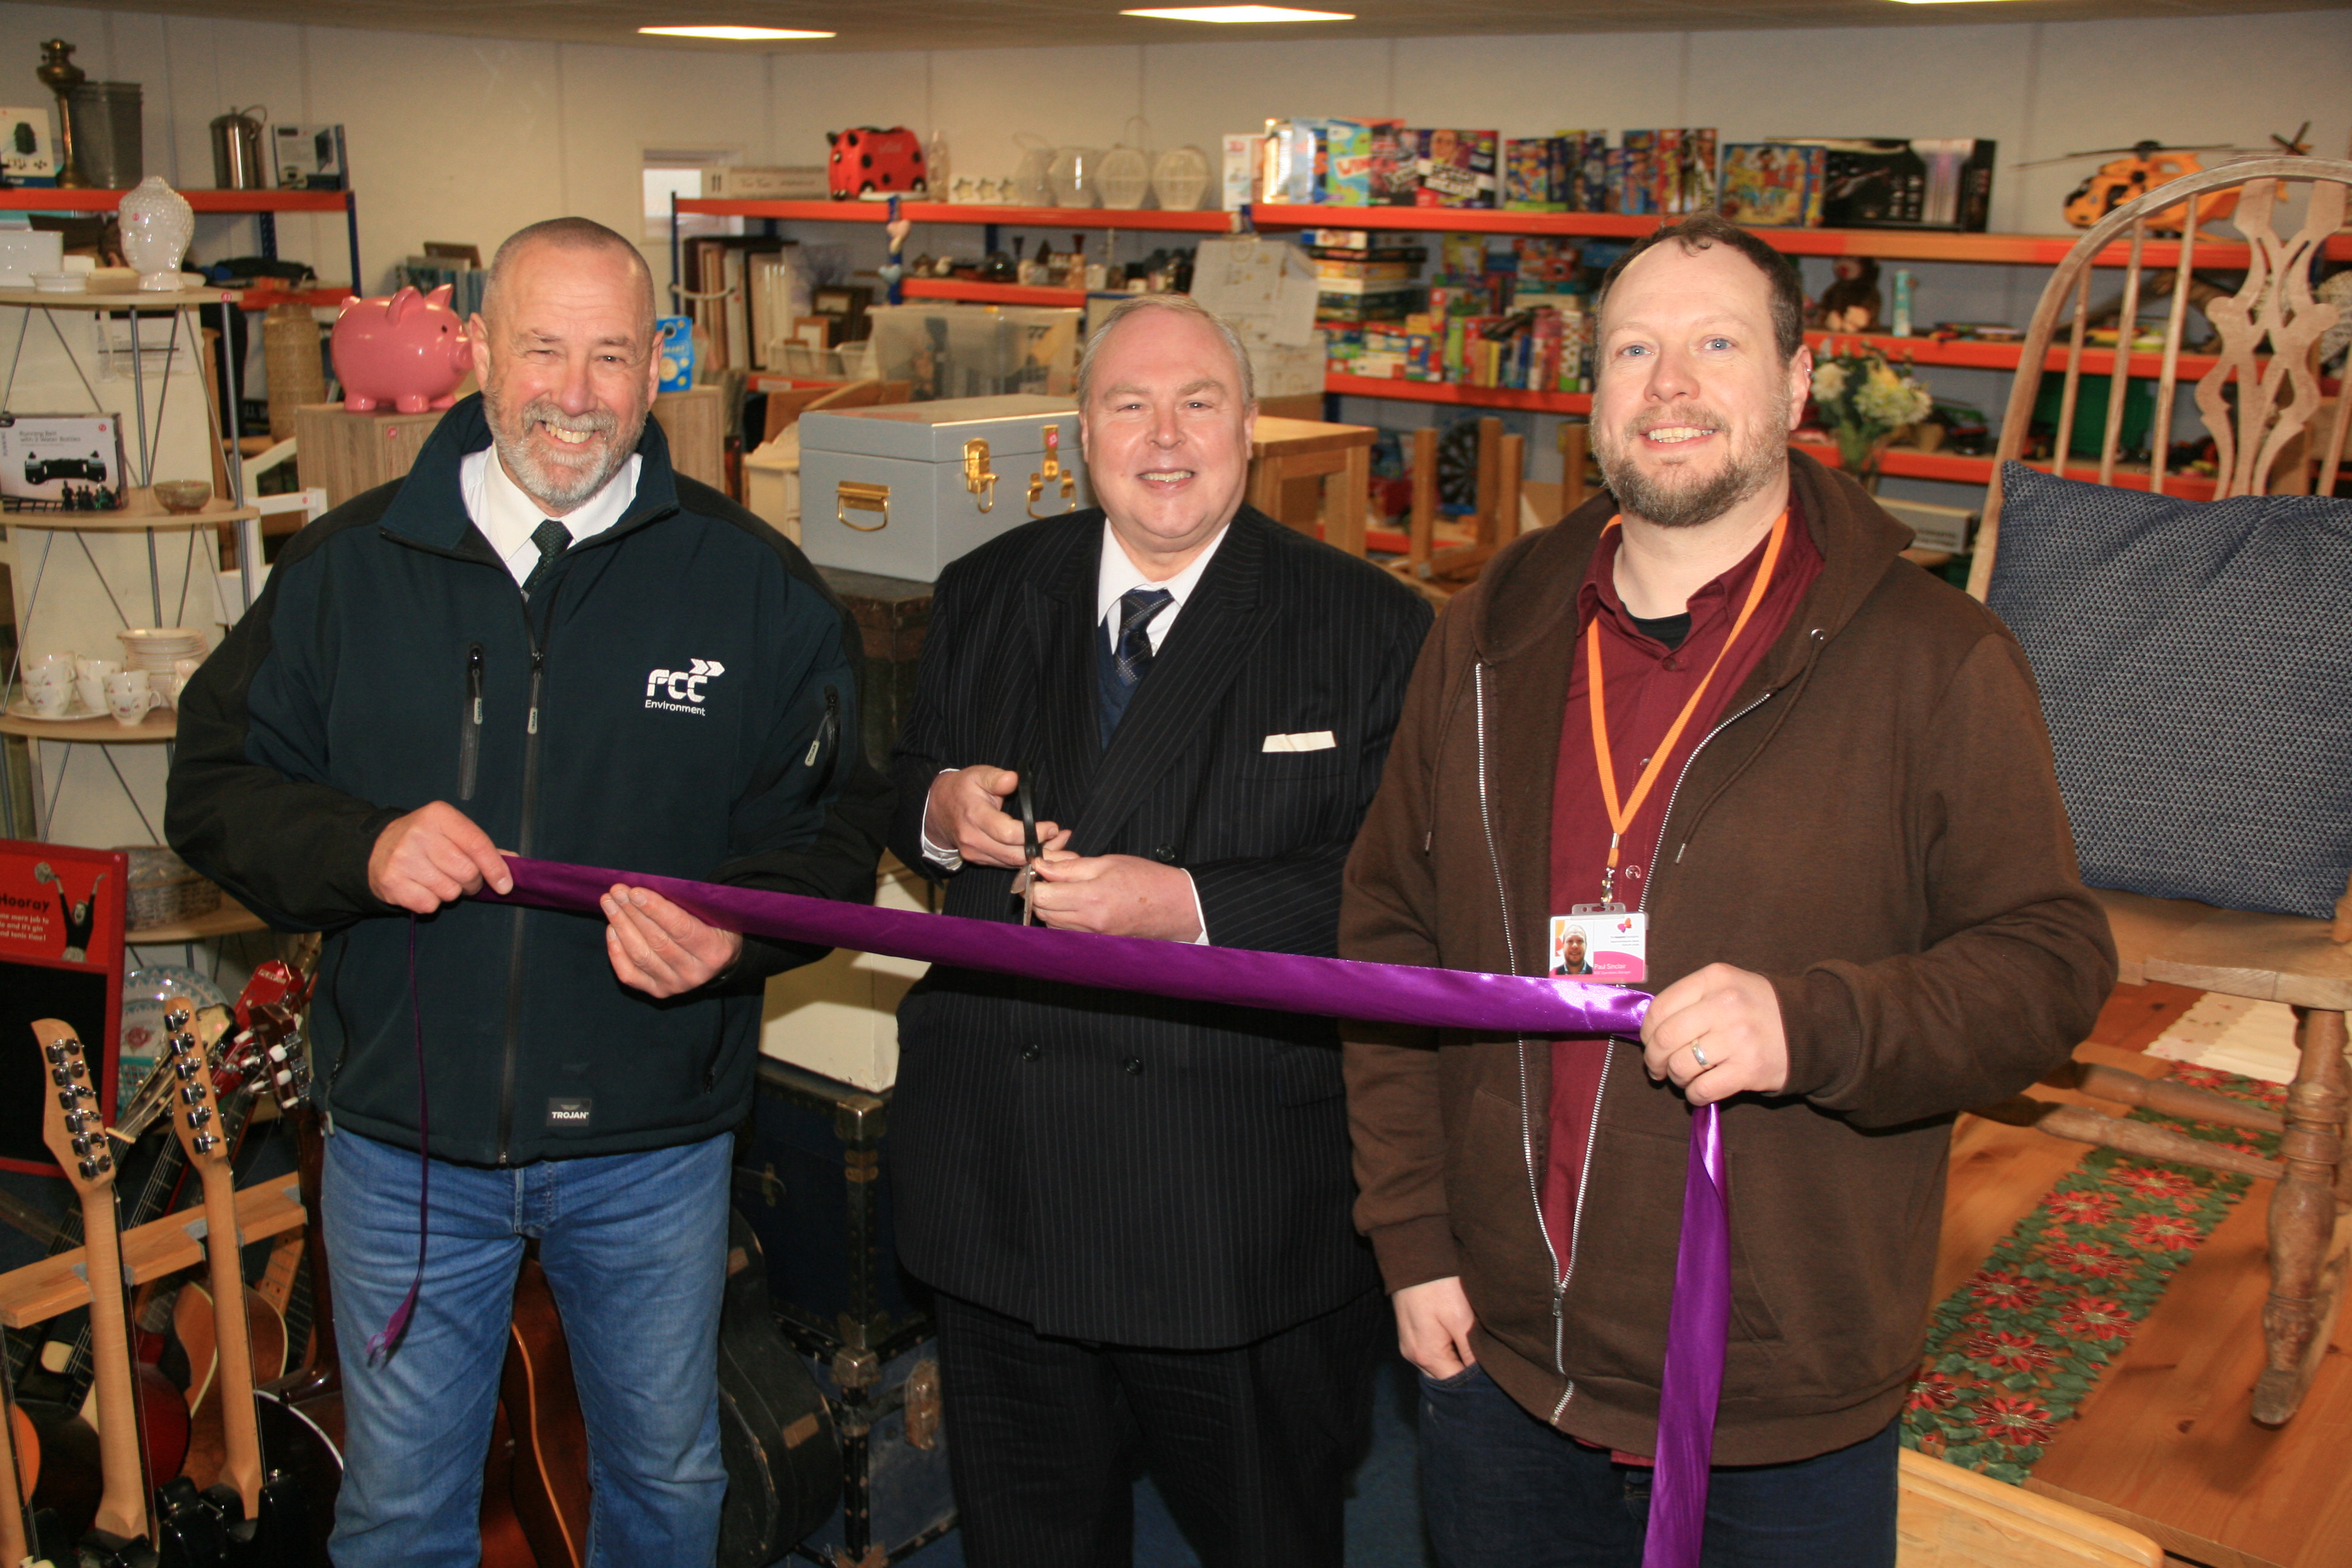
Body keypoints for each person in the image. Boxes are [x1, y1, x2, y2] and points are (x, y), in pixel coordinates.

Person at [1339, 213, 2116, 1567]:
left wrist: (1814, 1026)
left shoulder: (1937, 658)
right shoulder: (1483, 632)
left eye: (1717, 344)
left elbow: (2051, 964)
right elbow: (1391, 937)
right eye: (1634, 348)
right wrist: (1411, 1239)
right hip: (1501, 1355)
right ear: (1590, 394)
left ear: (1799, 383)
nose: (1671, 383)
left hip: (1781, 1389)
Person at [166, 217, 890, 1568]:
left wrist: (735, 932)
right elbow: (212, 790)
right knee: (397, 1516)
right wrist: (360, 850)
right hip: (406, 1147)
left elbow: (838, 828)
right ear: (481, 351)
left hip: (653, 1148)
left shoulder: (754, 589)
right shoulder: (346, 570)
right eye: (543, 348)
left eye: (610, 355)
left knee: (668, 1491)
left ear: (659, 366)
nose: (574, 392)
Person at [887, 292, 1432, 1568]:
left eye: (1198, 403)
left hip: (1230, 1211)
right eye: (1130, 405)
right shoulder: (984, 590)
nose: (1165, 435)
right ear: (1084, 433)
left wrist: (1187, 909)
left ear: (1253, 429)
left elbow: (1408, 894)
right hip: (1000, 1198)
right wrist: (935, 806)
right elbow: (899, 772)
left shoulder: (1369, 627)